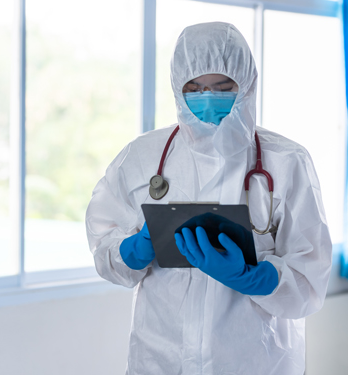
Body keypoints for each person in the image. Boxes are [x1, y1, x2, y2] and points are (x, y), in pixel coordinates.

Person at [86, 22, 332, 375]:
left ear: (245, 85)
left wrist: (253, 276)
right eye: (195, 87)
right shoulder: (141, 157)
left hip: (254, 361)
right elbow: (105, 245)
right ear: (177, 87)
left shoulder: (287, 161)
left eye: (221, 87)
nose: (207, 97)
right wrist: (132, 249)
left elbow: (311, 278)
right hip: (159, 360)